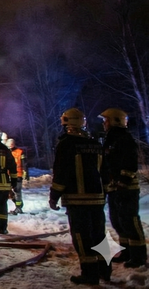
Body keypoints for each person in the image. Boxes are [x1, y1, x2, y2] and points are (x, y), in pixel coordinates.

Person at [50, 108, 109, 285]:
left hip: (77, 199)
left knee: (82, 237)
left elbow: (61, 172)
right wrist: (105, 192)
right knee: (99, 235)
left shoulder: (66, 144)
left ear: (67, 122)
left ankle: (89, 274)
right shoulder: (95, 144)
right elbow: (105, 172)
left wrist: (54, 196)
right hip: (97, 198)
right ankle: (105, 271)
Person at [100, 108, 146, 268]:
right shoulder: (110, 139)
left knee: (130, 220)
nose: (104, 123)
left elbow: (130, 162)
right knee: (118, 221)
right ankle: (127, 251)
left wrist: (123, 181)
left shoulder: (124, 139)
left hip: (127, 188)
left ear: (115, 120)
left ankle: (139, 255)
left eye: (106, 120)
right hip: (114, 189)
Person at [6, 138, 28, 215]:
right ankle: (18, 204)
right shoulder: (6, 152)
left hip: (17, 175)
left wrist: (25, 173)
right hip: (8, 175)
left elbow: (24, 163)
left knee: (17, 192)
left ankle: (18, 208)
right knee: (10, 192)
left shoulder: (20, 152)